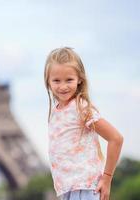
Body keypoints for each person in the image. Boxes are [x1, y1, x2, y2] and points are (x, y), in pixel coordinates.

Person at [44, 47, 123, 200]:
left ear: (80, 79)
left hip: (85, 188)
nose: (63, 86)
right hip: (68, 189)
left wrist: (106, 179)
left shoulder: (81, 108)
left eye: (69, 80)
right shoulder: (55, 111)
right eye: (56, 80)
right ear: (48, 81)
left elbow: (116, 138)